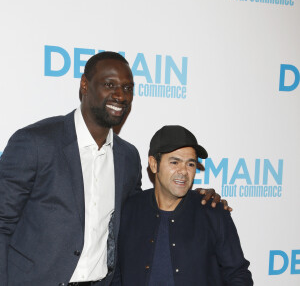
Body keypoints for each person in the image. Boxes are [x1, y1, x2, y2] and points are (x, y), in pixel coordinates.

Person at [0, 52, 225, 286]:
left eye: (128, 88)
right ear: (85, 85)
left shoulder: (127, 157)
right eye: (110, 85)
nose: (120, 95)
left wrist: (196, 199)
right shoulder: (36, 142)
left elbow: (140, 215)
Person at [112, 125, 253, 286]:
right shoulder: (129, 210)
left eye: (190, 164)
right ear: (153, 164)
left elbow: (238, 275)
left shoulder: (213, 213)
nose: (184, 171)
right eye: (174, 162)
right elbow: (116, 273)